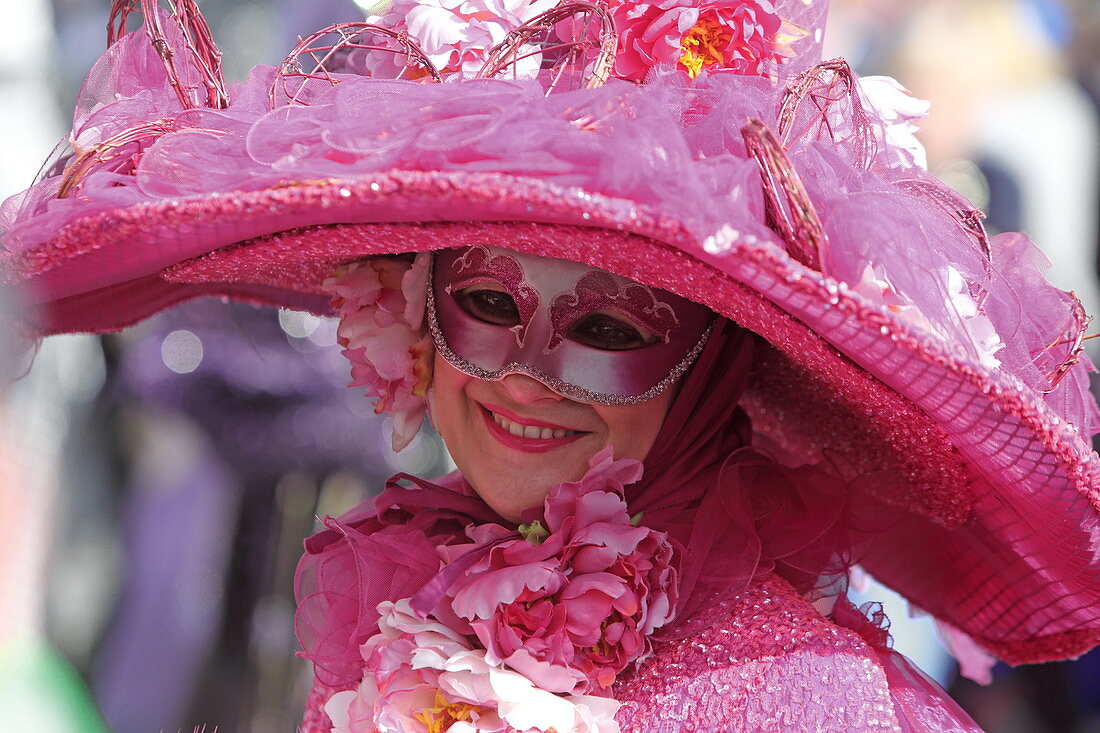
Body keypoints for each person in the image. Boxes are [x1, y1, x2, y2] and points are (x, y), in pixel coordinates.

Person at [3, 0, 1100, 730]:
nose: (526, 375)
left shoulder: (807, 701)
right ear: (414, 306)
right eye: (485, 303)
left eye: (610, 330)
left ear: (720, 357)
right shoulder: (406, 596)